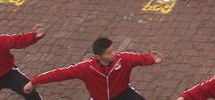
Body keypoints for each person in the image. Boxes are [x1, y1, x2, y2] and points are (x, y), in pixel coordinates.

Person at [25, 37, 160, 100]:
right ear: (98, 56)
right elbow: (60, 73)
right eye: (109, 53)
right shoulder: (86, 68)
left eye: (113, 50)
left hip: (123, 93)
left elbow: (139, 59)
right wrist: (34, 81)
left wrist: (152, 59)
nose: (114, 54)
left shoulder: (122, 59)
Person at [0, 25, 44, 100]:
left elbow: (18, 40)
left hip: (9, 74)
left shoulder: (1, 41)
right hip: (8, 73)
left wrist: (34, 35)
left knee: (31, 94)